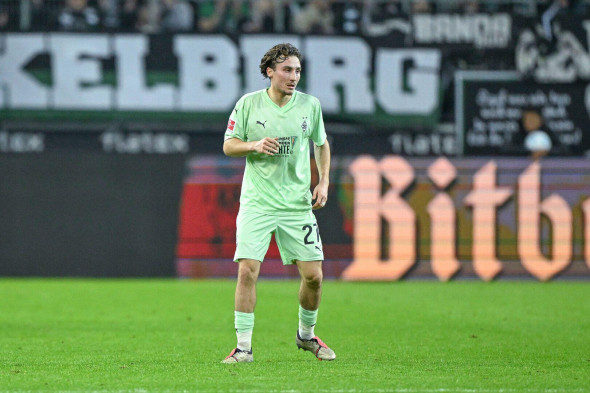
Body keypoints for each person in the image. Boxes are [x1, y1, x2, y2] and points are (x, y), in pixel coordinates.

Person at [221, 43, 335, 363]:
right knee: (248, 271)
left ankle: (306, 335)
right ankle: (243, 348)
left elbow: (321, 144)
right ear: (270, 72)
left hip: (296, 204)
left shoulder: (309, 106)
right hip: (257, 203)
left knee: (314, 276)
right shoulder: (249, 104)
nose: (294, 76)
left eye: (297, 70)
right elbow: (229, 146)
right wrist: (255, 145)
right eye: (287, 70)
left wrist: (323, 180)